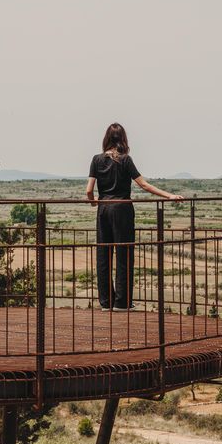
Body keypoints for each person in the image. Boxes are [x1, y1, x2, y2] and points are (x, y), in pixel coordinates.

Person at [86, 123, 183, 311]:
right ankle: (122, 303)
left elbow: (89, 190)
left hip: (103, 210)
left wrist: (94, 202)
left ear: (106, 139)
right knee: (124, 254)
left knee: (103, 255)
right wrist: (169, 196)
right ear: (123, 140)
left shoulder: (96, 160)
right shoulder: (125, 160)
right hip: (122, 210)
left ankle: (106, 302)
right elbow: (144, 185)